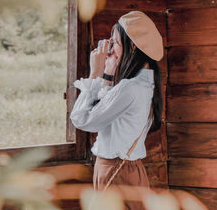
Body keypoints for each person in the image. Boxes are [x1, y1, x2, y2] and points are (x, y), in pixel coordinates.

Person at [69, 11, 163, 210]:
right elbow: (107, 109)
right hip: (131, 170)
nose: (110, 49)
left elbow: (81, 120)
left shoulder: (129, 87)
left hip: (114, 171)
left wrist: (94, 73)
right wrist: (108, 74)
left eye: (115, 43)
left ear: (132, 46)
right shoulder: (146, 82)